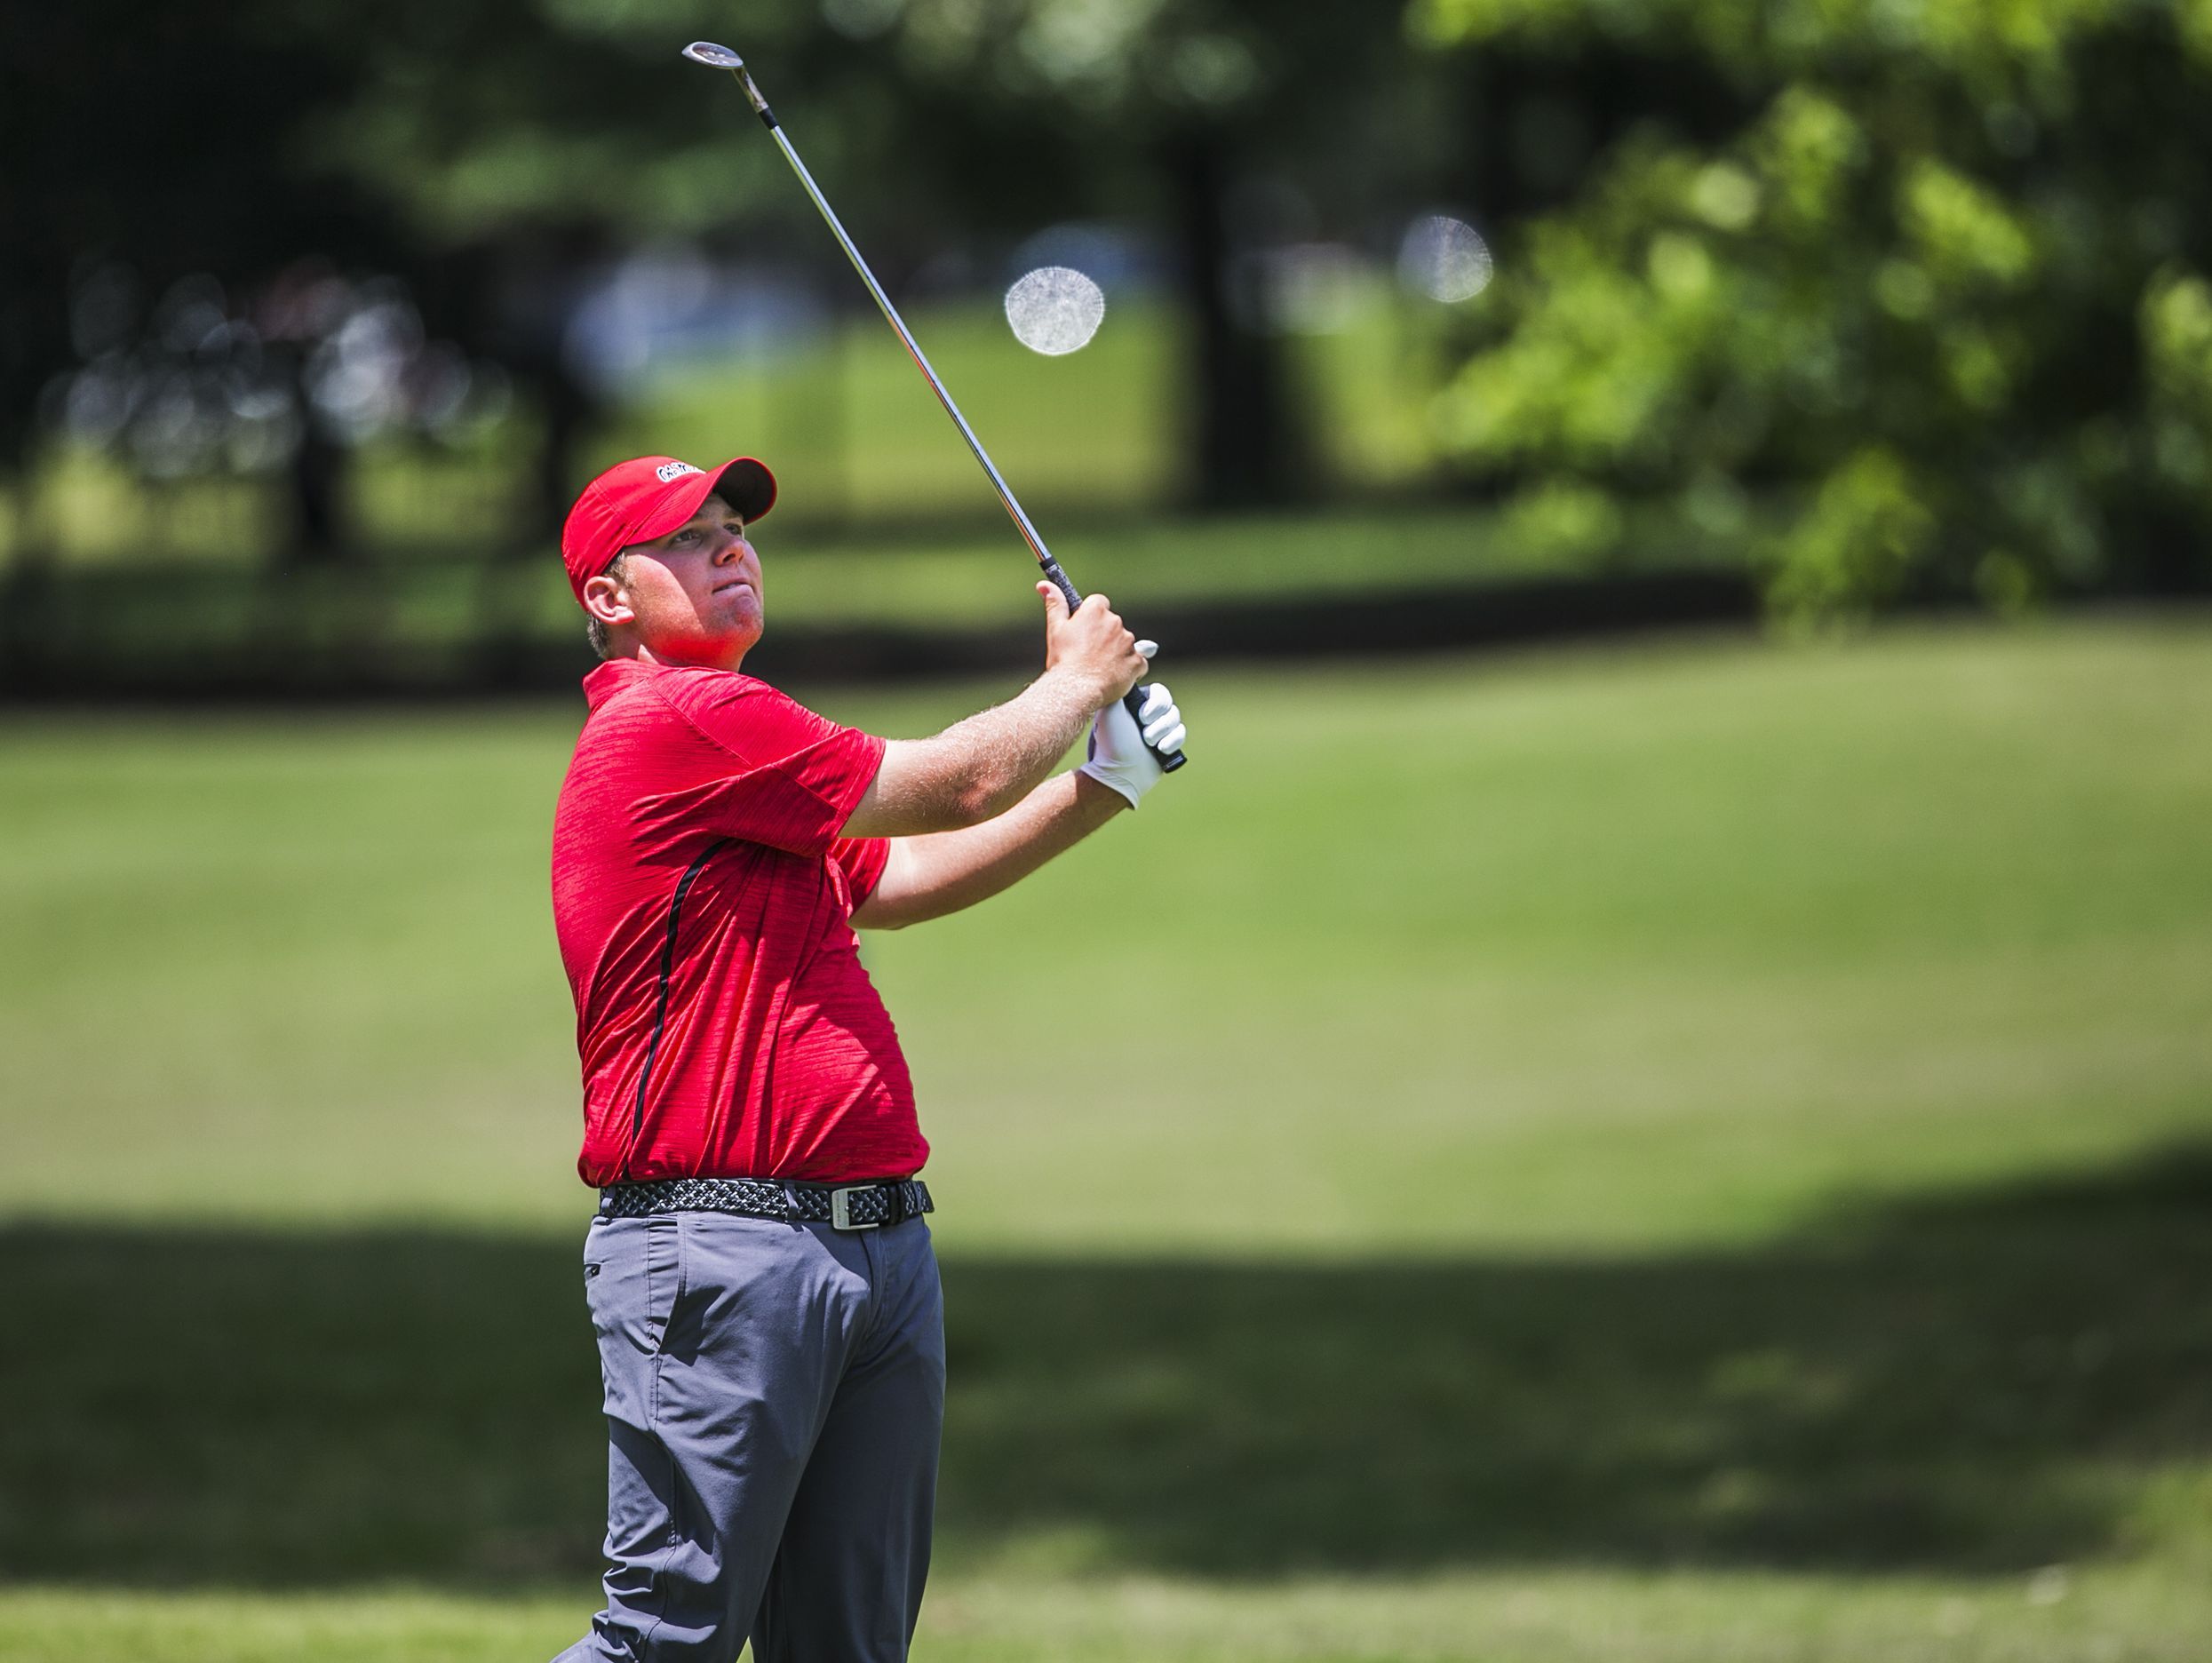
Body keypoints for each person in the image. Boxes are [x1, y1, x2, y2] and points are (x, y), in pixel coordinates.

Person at [545, 453, 1185, 1663]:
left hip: (873, 1241)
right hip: (724, 1246)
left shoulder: (749, 763)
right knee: (664, 1640)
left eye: (734, 528)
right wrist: (1075, 684)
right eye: (685, 538)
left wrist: (1107, 783)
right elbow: (961, 783)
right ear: (611, 598)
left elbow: (897, 878)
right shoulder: (681, 716)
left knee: (844, 1646)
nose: (729, 548)